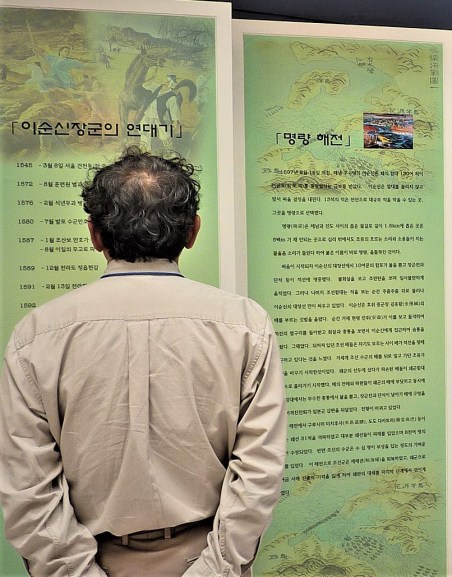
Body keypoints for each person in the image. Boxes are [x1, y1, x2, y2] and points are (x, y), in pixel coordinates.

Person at [0, 147, 287, 577]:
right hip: (207, 558)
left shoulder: (38, 334)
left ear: (95, 234)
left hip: (90, 560)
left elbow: (27, 487)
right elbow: (259, 472)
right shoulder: (244, 325)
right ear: (193, 230)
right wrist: (215, 569)